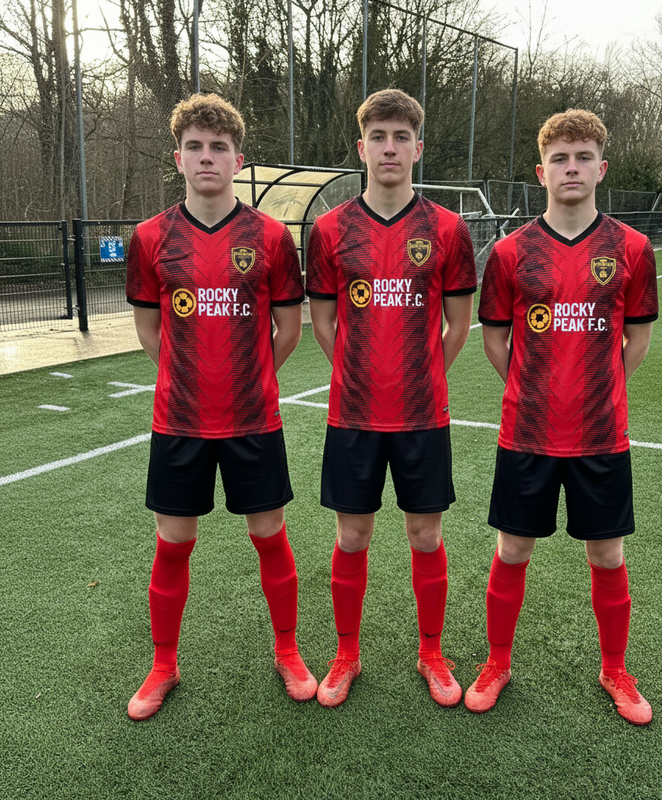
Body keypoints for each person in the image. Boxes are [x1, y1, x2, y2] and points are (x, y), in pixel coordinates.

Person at [125, 93, 316, 721]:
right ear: (178, 158)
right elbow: (151, 332)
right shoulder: (151, 237)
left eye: (220, 148)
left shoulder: (268, 238)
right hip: (178, 422)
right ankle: (162, 665)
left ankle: (287, 651)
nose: (208, 158)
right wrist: (184, 379)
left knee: (269, 536)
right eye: (196, 147)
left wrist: (250, 376)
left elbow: (287, 329)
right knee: (174, 542)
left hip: (252, 419)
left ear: (239, 158)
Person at [467, 109, 658, 724]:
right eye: (559, 158)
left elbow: (637, 338)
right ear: (541, 171)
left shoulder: (631, 248)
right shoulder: (509, 252)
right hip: (527, 431)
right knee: (513, 547)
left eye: (581, 157)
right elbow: (495, 339)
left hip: (602, 434)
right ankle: (497, 663)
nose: (570, 168)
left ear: (601, 168)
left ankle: (615, 670)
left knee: (607, 555)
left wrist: (602, 390)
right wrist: (532, 386)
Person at [305, 89, 477, 708]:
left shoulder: (448, 230)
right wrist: (355, 372)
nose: (389, 147)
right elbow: (323, 323)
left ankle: (432, 653)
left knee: (425, 535)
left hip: (422, 414)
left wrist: (423, 371)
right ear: (361, 148)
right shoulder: (329, 230)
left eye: (401, 137)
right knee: (352, 536)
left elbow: (459, 323)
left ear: (418, 148)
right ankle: (346, 654)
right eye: (378, 136)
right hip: (352, 414)